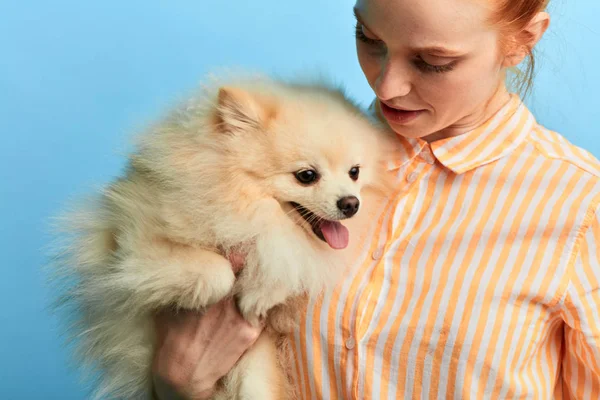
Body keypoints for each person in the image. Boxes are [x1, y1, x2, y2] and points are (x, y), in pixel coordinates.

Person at [152, 0, 600, 398]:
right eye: (368, 38)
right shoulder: (257, 167)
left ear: (523, 41)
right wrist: (176, 384)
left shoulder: (582, 205)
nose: (386, 87)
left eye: (432, 61)